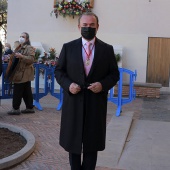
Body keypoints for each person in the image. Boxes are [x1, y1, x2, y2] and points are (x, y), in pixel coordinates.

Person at [54, 12, 120, 170]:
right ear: (79, 27)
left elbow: (114, 74)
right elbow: (59, 71)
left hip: (95, 105)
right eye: (85, 25)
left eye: (91, 25)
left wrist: (103, 85)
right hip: (74, 103)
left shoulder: (107, 49)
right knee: (73, 143)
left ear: (97, 26)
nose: (88, 28)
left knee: (92, 144)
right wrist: (68, 85)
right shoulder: (68, 48)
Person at [7, 32, 35, 115]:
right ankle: (29, 107)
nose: (21, 38)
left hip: (23, 72)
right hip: (20, 71)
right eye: (20, 36)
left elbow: (31, 59)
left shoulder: (29, 48)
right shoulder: (19, 47)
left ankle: (15, 109)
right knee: (26, 91)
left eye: (23, 37)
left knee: (17, 90)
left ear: (27, 39)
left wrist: (22, 57)